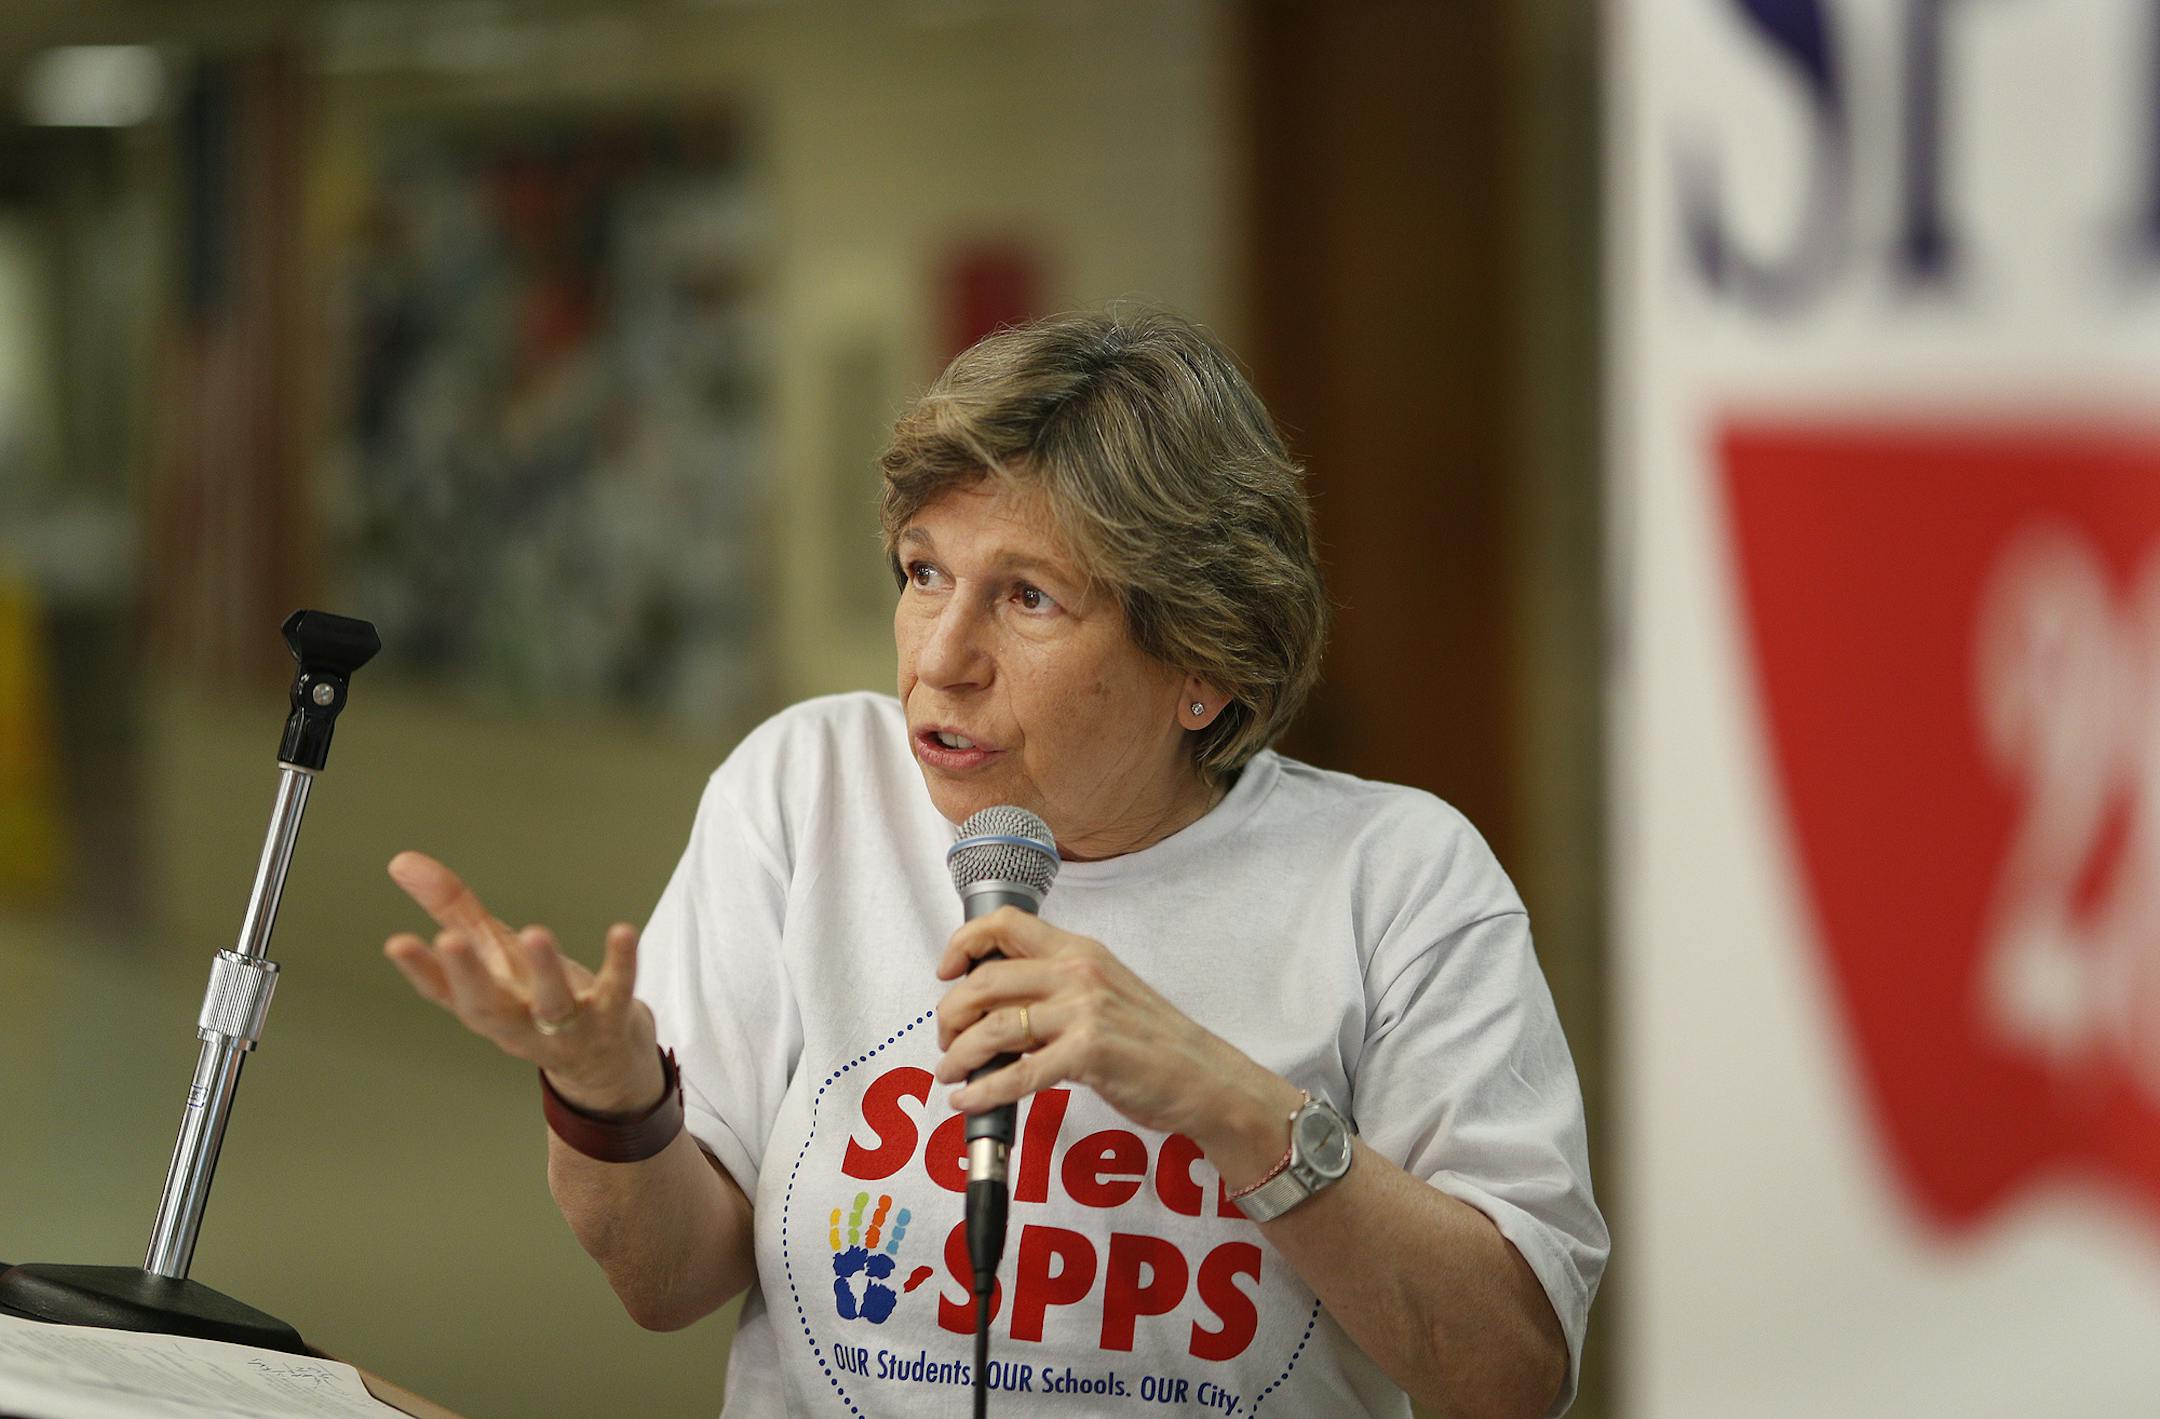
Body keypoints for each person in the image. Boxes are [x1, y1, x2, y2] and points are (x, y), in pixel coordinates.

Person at [383, 308, 1607, 1418]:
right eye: (925, 573)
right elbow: (669, 1280)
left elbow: (1511, 1373)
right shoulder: (808, 788)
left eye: (1027, 599)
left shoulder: (1397, 875)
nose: (940, 657)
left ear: (1205, 669)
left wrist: (1212, 1092)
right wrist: (611, 1100)